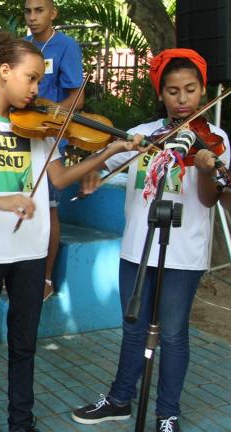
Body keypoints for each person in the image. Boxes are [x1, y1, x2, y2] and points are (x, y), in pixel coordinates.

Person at [0, 39, 144, 432]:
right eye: (31, 78)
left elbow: (60, 178)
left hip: (30, 250)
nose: (36, 90)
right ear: (4, 71)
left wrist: (108, 150)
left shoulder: (39, 125)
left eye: (40, 80)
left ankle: (21, 422)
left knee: (24, 345)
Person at [71, 49, 229, 432]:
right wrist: (93, 173)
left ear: (202, 91)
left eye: (190, 90)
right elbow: (103, 167)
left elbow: (210, 199)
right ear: (162, 93)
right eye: (173, 91)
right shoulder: (143, 135)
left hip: (185, 253)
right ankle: (120, 399)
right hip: (138, 247)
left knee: (173, 334)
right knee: (133, 328)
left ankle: (167, 413)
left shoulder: (217, 139)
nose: (182, 99)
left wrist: (207, 168)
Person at [24, 0, 84, 300]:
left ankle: (46, 278)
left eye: (39, 11)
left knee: (48, 210)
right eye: (28, 11)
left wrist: (47, 119)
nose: (33, 17)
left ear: (53, 13)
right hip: (21, 135)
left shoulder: (66, 46)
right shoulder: (22, 45)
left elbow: (77, 98)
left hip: (50, 139)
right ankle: (18, 274)